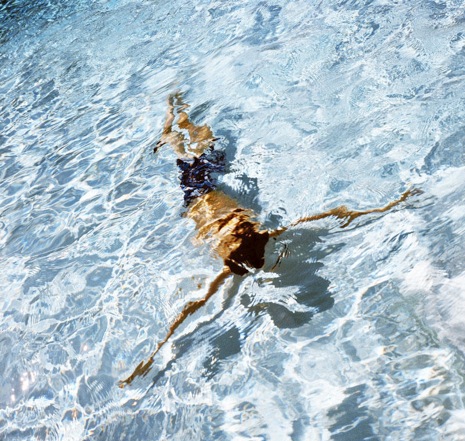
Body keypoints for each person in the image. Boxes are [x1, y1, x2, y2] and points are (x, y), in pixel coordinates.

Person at [119, 93, 419, 387]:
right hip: (199, 195)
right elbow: (195, 309)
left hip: (203, 190)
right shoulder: (238, 263)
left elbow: (197, 309)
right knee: (196, 146)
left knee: (201, 145)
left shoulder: (249, 252)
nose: (277, 255)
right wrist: (388, 207)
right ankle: (172, 116)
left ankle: (175, 113)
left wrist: (155, 356)